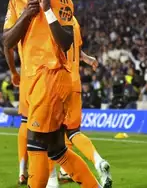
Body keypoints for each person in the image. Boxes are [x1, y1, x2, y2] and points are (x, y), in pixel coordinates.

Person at [2, 0, 100, 188]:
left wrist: (46, 11)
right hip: (33, 80)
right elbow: (7, 41)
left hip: (53, 77)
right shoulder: (16, 1)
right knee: (57, 149)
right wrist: (27, 14)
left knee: (35, 143)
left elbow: (66, 41)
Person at [53, 16, 112, 188]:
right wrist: (87, 59)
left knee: (49, 132)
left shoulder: (50, 19)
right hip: (75, 82)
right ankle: (98, 161)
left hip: (58, 81)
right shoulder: (73, 20)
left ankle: (51, 181)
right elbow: (76, 49)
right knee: (72, 131)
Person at [4, 45, 30, 185]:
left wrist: (14, 71)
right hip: (45, 77)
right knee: (49, 127)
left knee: (25, 122)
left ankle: (22, 171)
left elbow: (7, 44)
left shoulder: (16, 22)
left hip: (26, 78)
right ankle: (53, 176)